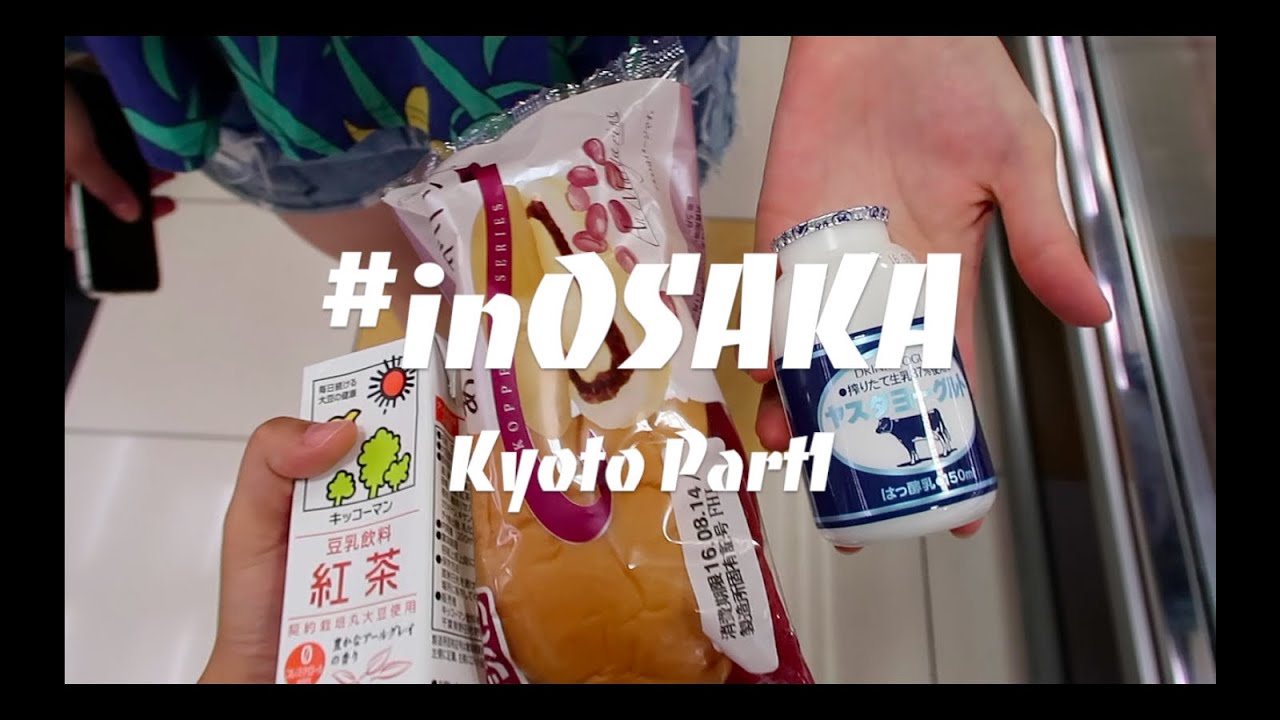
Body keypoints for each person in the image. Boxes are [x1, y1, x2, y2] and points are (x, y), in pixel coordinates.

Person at [65, 36, 1111, 556]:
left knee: (642, 315)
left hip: (599, 58)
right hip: (282, 84)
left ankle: (644, 528)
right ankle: (530, 485)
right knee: (458, 314)